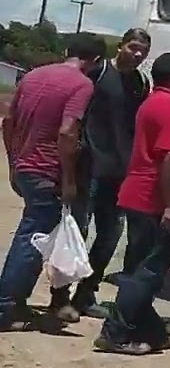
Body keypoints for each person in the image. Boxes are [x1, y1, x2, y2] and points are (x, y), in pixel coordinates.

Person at [95, 53, 170, 355]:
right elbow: (167, 157)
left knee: (142, 267)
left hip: (145, 197)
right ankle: (115, 333)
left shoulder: (156, 101)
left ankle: (150, 330)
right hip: (153, 201)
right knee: (149, 271)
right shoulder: (169, 106)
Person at [0, 33, 105, 332]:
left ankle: (15, 302)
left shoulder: (34, 76)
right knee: (34, 238)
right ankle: (6, 304)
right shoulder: (82, 85)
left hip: (26, 167)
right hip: (49, 172)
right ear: (96, 61)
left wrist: (13, 163)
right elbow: (67, 131)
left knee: (34, 234)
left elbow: (8, 122)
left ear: (68, 51)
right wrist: (69, 179)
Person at [51, 28, 151, 324]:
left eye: (143, 50)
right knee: (78, 231)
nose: (137, 54)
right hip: (89, 165)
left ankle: (86, 294)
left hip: (119, 170)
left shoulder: (139, 82)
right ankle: (60, 297)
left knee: (109, 235)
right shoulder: (97, 73)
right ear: (120, 46)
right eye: (133, 47)